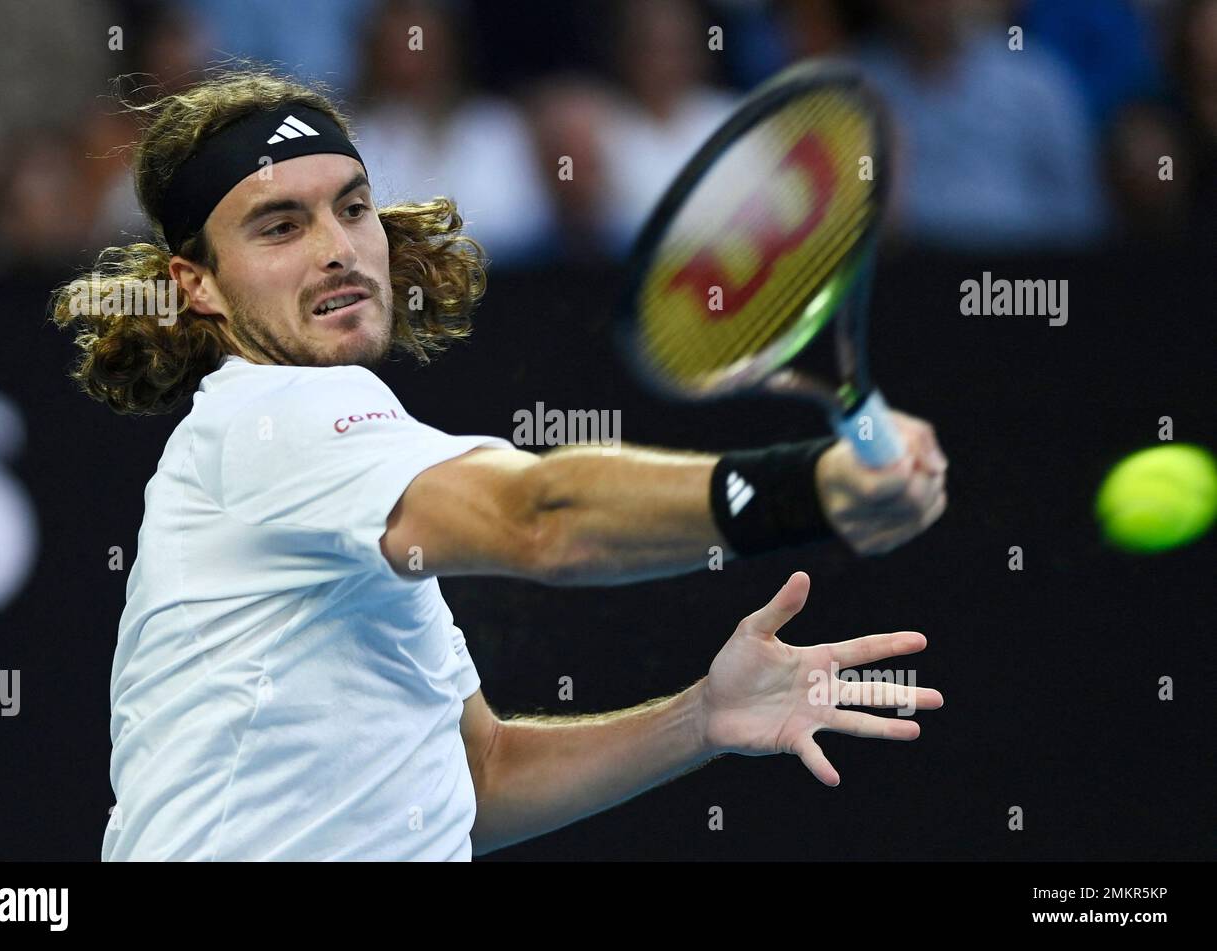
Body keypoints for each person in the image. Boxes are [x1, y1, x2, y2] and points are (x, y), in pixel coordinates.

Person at [50, 67, 948, 861]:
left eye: (353, 207)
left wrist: (702, 718)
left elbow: (473, 776)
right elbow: (543, 517)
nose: (338, 247)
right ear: (196, 282)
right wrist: (810, 487)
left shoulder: (331, 481)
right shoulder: (271, 414)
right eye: (281, 225)